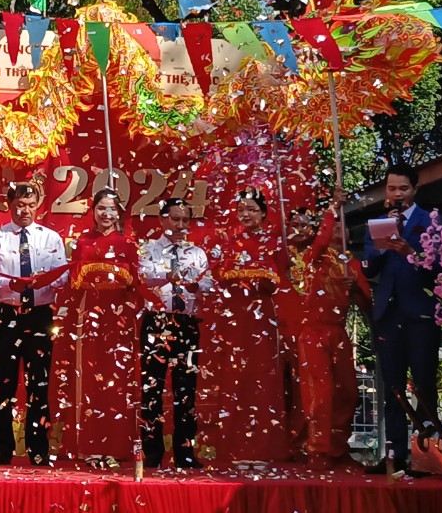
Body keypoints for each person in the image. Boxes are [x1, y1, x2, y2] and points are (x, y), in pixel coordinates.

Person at [198, 186, 290, 463]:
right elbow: (217, 277)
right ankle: (235, 448)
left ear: (263, 213)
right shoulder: (229, 244)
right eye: (242, 210)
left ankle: (264, 448)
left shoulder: (274, 242)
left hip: (262, 318)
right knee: (234, 379)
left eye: (252, 209)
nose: (246, 214)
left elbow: (282, 278)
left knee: (262, 380)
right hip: (234, 319)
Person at [362, 163, 439, 473]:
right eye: (392, 188)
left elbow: (439, 270)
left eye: (403, 189)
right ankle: (395, 455)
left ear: (414, 190)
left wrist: (412, 253)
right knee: (392, 386)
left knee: (423, 383)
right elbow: (368, 270)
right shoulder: (380, 222)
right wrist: (382, 245)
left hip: (420, 313)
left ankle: (427, 454)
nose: (396, 194)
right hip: (388, 312)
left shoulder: (430, 221)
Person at [287, 193, 372, 469]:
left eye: (342, 226)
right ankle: (317, 451)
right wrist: (332, 209)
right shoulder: (315, 256)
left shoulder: (353, 263)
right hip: (313, 331)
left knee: (347, 390)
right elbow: (321, 239)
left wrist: (355, 287)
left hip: (338, 332)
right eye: (335, 225)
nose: (338, 230)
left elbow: (366, 301)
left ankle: (338, 448)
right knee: (319, 393)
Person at [59, 189, 142, 468]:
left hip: (117, 319)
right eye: (102, 208)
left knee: (116, 378)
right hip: (88, 316)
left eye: (112, 209)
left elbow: (135, 284)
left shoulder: (127, 244)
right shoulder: (82, 242)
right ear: (93, 211)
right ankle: (89, 446)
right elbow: (73, 281)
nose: (107, 214)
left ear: (119, 213)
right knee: (89, 378)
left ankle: (116, 446)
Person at [0, 183, 67, 466]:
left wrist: (44, 280)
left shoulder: (51, 238)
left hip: (40, 314)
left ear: (39, 205)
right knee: (4, 384)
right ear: (10, 205)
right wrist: (10, 283)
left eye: (31, 205)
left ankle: (38, 449)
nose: (25, 211)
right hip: (7, 314)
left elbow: (63, 277)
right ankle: (3, 448)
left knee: (39, 384)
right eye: (20, 205)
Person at [137, 197, 211, 470]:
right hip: (157, 321)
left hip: (187, 323)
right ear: (163, 219)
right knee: (152, 389)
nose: (180, 226)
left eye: (185, 221)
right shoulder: (149, 249)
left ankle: (185, 452)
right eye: (175, 219)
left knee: (186, 391)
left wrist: (197, 286)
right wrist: (170, 277)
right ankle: (152, 452)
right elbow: (144, 276)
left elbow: (209, 282)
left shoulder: (196, 252)